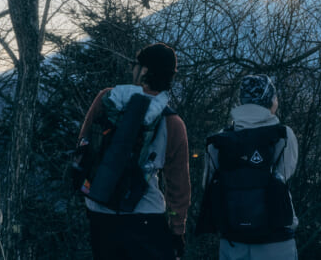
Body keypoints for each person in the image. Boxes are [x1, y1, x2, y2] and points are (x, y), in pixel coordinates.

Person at [78, 43, 190, 260]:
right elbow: (178, 185)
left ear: (145, 71)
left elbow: (83, 143)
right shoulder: (172, 122)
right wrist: (177, 228)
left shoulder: (107, 98)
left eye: (135, 65)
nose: (132, 69)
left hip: (99, 210)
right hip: (145, 215)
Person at [202, 74, 299, 260]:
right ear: (270, 99)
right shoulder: (283, 134)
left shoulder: (222, 138)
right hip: (275, 240)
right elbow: (285, 173)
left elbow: (208, 183)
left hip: (233, 239)